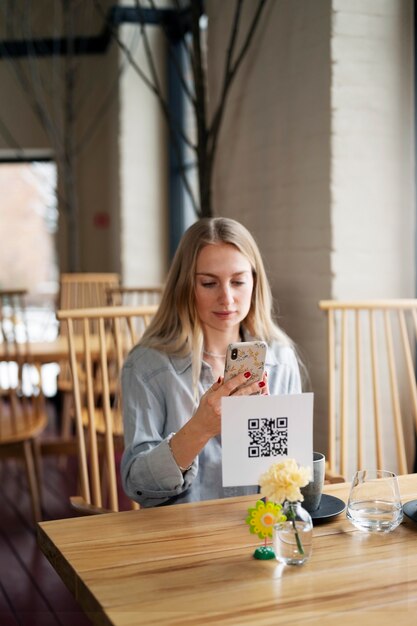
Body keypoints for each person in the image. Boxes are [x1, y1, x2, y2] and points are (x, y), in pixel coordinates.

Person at [121, 217, 302, 507]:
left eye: (239, 281)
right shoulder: (147, 366)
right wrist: (200, 428)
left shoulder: (280, 358)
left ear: (255, 282)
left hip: (259, 530)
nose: (227, 298)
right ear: (184, 286)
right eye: (208, 283)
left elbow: (288, 473)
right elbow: (137, 484)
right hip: (180, 536)